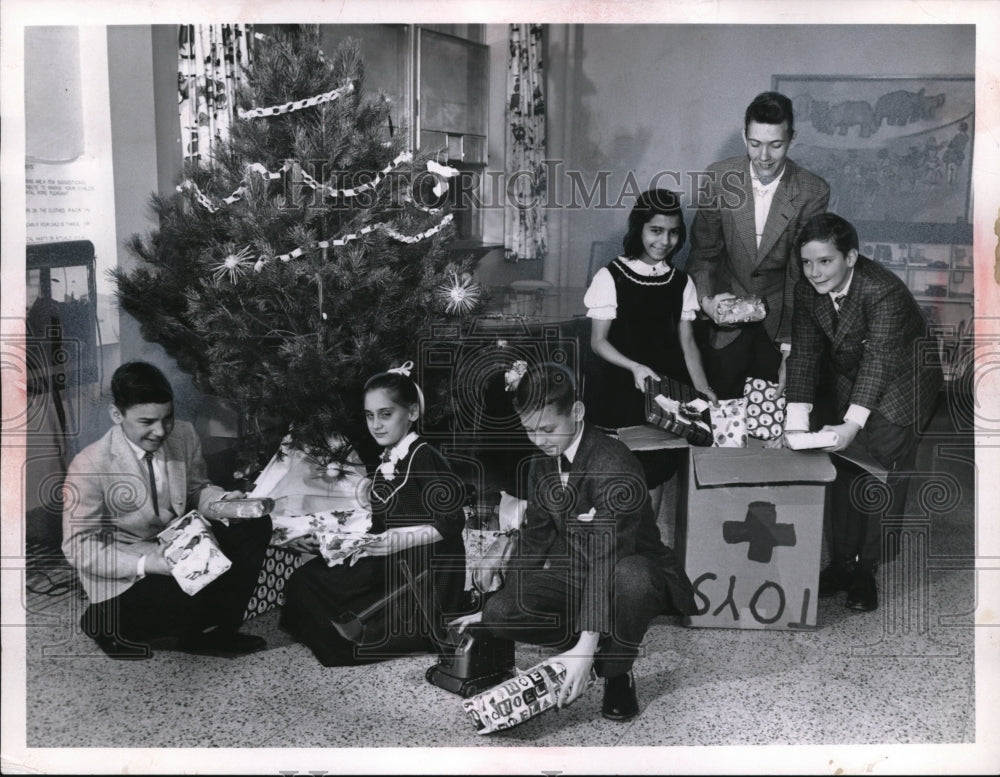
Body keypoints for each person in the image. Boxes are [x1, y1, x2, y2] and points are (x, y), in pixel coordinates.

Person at [452, 362, 696, 722]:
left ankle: (615, 671)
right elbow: (535, 539)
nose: (539, 440)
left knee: (632, 580)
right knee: (500, 613)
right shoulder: (540, 463)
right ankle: (599, 648)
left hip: (631, 565)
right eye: (529, 431)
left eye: (548, 428)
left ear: (577, 411)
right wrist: (491, 605)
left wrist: (584, 645)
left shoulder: (615, 464)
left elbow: (606, 554)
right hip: (580, 569)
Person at [782, 213, 942, 612]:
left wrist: (853, 423)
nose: (815, 272)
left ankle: (866, 571)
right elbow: (804, 354)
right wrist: (796, 423)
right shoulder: (807, 290)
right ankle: (839, 565)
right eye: (807, 262)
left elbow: (880, 362)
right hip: (852, 374)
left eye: (825, 262)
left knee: (880, 471)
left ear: (850, 257)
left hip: (904, 380)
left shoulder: (882, 289)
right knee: (840, 467)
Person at [62, 361, 272, 659]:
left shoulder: (183, 435)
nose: (161, 431)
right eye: (147, 422)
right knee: (179, 598)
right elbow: (78, 548)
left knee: (255, 525)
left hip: (179, 549)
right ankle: (102, 622)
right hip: (135, 571)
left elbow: (197, 489)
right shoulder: (89, 465)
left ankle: (216, 633)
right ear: (116, 415)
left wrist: (224, 504)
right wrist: (149, 563)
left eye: (167, 418)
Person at [280, 363, 467, 666]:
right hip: (395, 554)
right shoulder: (385, 463)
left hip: (428, 564)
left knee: (321, 593)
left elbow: (452, 521)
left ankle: (359, 634)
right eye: (370, 415)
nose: (376, 425)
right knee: (306, 579)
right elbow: (381, 523)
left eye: (386, 414)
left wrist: (399, 540)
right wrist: (341, 543)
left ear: (412, 414)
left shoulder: (424, 457)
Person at [687, 91, 830, 399]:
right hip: (723, 324)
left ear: (792, 138)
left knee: (772, 429)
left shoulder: (812, 190)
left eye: (776, 145)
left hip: (780, 325)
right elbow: (703, 255)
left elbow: (801, 273)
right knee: (720, 422)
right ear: (744, 136)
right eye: (755, 144)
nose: (764, 156)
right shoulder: (719, 177)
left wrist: (792, 346)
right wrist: (707, 301)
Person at [584, 189, 715, 509]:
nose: (664, 241)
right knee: (619, 474)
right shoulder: (611, 276)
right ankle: (617, 549)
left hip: (665, 394)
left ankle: (647, 546)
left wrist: (702, 387)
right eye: (656, 230)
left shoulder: (682, 282)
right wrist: (634, 367)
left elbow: (687, 343)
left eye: (673, 233)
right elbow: (598, 341)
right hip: (620, 390)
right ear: (639, 229)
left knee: (655, 471)